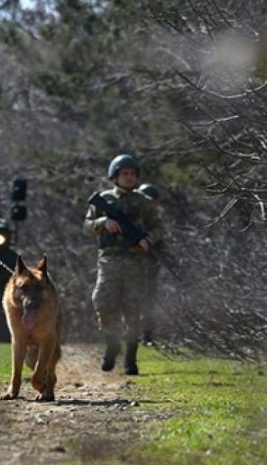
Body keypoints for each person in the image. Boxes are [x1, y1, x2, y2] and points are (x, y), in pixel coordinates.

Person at [83, 154, 164, 376]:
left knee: (132, 310)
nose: (128, 178)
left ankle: (130, 359)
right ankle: (111, 343)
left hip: (136, 262)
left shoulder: (144, 202)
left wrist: (149, 239)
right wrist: (103, 223)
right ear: (115, 176)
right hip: (109, 260)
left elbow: (159, 226)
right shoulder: (104, 199)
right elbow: (87, 226)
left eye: (132, 174)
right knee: (103, 302)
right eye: (124, 174)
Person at [136, 183, 163, 346]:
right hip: (131, 264)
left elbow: (161, 238)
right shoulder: (134, 219)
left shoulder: (155, 222)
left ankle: (147, 334)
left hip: (149, 265)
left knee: (148, 300)